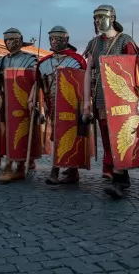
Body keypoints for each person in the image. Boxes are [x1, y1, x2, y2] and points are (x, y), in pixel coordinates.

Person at [83, 5, 139, 198]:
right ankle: (121, 177)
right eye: (95, 18)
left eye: (101, 17)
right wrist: (86, 102)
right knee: (108, 142)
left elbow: (135, 71)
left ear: (112, 17)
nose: (98, 21)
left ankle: (118, 179)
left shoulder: (126, 41)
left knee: (119, 139)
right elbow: (88, 73)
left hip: (121, 99)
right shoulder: (94, 44)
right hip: (101, 99)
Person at [30, 25, 86, 185]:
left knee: (72, 136)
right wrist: (31, 99)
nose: (54, 42)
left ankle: (61, 170)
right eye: (52, 39)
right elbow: (38, 84)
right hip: (53, 105)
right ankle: (68, 169)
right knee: (57, 136)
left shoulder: (77, 60)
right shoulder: (44, 63)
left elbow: (85, 83)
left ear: (66, 40)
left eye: (58, 39)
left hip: (73, 105)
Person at [0, 27, 38, 182]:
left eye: (12, 39)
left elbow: (35, 81)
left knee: (21, 133)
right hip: (6, 102)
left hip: (23, 102)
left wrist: (32, 99)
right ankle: (9, 164)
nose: (9, 43)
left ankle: (20, 167)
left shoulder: (30, 59)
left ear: (19, 40)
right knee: (7, 134)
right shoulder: (1, 61)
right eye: (7, 40)